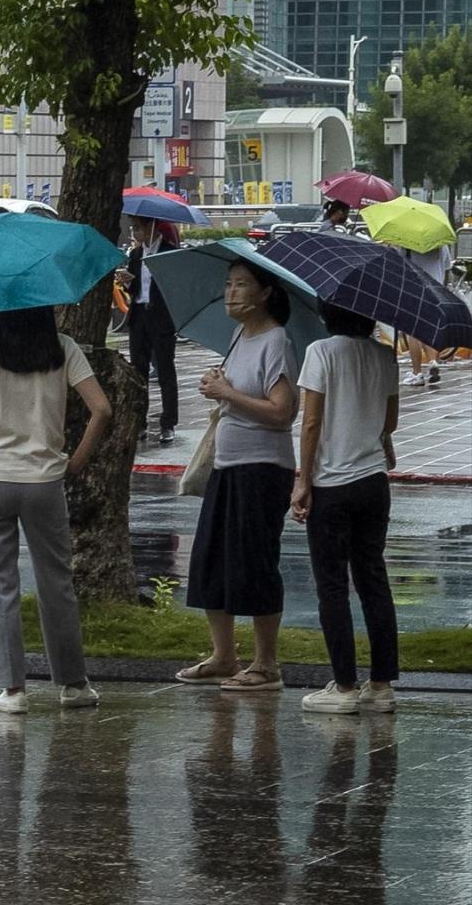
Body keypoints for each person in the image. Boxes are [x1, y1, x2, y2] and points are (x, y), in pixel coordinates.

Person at [0, 307, 112, 714]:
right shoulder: (63, 348)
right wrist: (75, 461)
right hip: (44, 479)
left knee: (0, 586)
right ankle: (74, 685)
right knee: (56, 583)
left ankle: (13, 691)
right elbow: (102, 409)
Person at [177, 261, 300, 692]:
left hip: (262, 467)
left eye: (242, 284)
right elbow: (235, 393)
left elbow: (282, 412)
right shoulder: (237, 337)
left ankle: (266, 664)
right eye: (228, 284)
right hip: (227, 465)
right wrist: (218, 383)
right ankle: (223, 655)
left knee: (255, 562)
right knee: (211, 559)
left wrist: (227, 392)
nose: (231, 293)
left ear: (265, 293)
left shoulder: (276, 341)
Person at [293, 302, 400, 714]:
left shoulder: (320, 352)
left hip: (332, 484)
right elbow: (389, 422)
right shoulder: (384, 354)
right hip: (374, 481)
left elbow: (312, 423)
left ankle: (343, 686)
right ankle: (381, 685)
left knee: (333, 585)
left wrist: (304, 480)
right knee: (373, 578)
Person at [125, 216, 181, 443]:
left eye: (138, 228)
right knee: (138, 371)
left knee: (165, 370)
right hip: (139, 316)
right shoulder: (136, 255)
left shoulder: (169, 253)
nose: (136, 233)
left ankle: (168, 423)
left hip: (161, 318)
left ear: (151, 227)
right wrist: (129, 282)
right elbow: (135, 287)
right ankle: (139, 422)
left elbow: (175, 286)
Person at [402, 244, 452, 386]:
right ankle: (433, 361)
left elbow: (400, 263)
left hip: (415, 289)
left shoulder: (407, 243)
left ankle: (417, 373)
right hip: (436, 290)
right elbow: (446, 266)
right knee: (430, 329)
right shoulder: (441, 242)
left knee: (414, 332)